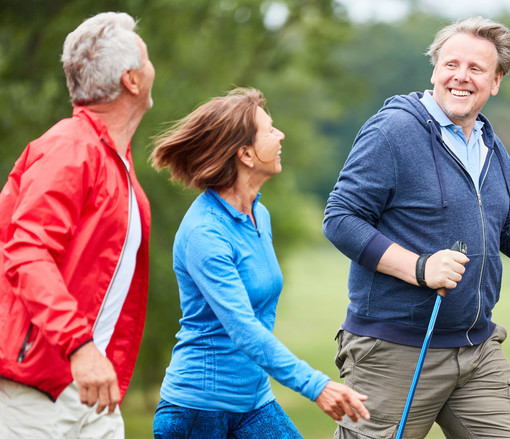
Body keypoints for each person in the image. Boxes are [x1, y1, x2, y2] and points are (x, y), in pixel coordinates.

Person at [323, 16, 510, 438]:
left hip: (475, 349)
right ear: (435, 71)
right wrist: (420, 268)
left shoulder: (490, 146)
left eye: (476, 69)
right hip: (394, 350)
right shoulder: (393, 130)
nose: (461, 77)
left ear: (496, 82)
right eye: (451, 65)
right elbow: (341, 218)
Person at [149, 87, 370, 438]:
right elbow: (244, 329)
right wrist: (316, 386)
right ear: (246, 154)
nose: (280, 135)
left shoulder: (258, 214)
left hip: (252, 402)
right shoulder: (205, 233)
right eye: (269, 130)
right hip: (198, 412)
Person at [0, 12, 154, 438]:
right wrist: (80, 346)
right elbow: (28, 253)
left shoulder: (112, 162)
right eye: (146, 58)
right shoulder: (70, 149)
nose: (152, 66)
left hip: (91, 387)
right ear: (132, 80)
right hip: (36, 388)